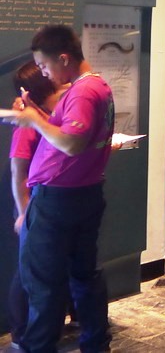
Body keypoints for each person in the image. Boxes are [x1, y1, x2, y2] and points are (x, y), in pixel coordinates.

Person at [10, 25, 114, 353]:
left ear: (64, 58)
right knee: (84, 276)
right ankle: (96, 344)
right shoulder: (97, 86)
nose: (43, 72)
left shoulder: (83, 92)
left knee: (44, 284)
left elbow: (71, 143)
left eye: (44, 65)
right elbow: (69, 133)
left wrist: (34, 121)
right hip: (84, 194)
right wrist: (38, 114)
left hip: (58, 201)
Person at [7, 62, 72, 350]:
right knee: (28, 272)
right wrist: (23, 212)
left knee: (42, 270)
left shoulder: (48, 116)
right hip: (33, 206)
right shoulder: (28, 126)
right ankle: (21, 335)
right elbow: (17, 172)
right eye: (46, 70)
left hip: (50, 205)